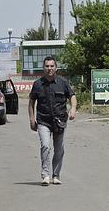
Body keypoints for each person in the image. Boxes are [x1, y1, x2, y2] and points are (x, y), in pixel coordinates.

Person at [28, 56, 77, 186]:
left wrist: (73, 109)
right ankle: (45, 175)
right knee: (45, 145)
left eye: (51, 66)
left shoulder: (63, 82)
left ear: (56, 68)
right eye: (47, 66)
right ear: (43, 68)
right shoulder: (37, 84)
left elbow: (72, 96)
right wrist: (32, 119)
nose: (49, 68)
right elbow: (31, 102)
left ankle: (56, 175)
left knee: (59, 148)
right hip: (43, 120)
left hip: (59, 120)